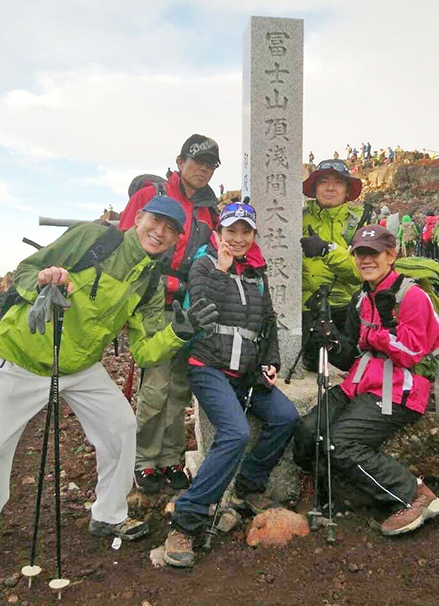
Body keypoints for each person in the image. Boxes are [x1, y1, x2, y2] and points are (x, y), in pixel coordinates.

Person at [0, 197, 219, 574]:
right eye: (156, 221)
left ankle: (109, 514)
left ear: (176, 239)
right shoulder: (92, 237)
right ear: (139, 218)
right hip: (20, 356)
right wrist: (42, 286)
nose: (160, 232)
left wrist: (179, 332)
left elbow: (144, 351)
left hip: (79, 365)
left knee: (121, 426)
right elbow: (28, 269)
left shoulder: (149, 282)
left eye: (172, 229)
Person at [164, 202, 299, 568]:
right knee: (236, 432)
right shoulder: (206, 263)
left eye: (245, 232)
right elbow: (204, 308)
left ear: (253, 235)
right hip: (208, 367)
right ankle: (186, 521)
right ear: (219, 232)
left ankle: (248, 487)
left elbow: (268, 321)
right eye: (231, 231)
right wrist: (223, 273)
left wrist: (271, 362)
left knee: (286, 416)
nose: (238, 239)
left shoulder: (258, 271)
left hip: (248, 373)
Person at [293, 224, 439, 537]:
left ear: (391, 255)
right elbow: (352, 353)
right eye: (360, 253)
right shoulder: (361, 298)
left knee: (340, 442)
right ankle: (316, 491)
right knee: (309, 430)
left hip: (398, 390)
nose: (366, 259)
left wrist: (384, 329)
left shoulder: (412, 296)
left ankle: (415, 495)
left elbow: (413, 352)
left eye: (373, 253)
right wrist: (332, 343)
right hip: (359, 384)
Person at [118, 134, 221, 493]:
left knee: (179, 388)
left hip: (188, 307)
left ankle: (172, 458)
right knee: (155, 388)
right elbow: (123, 242)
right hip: (151, 301)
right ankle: (144, 460)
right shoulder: (152, 196)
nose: (203, 169)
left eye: (210, 164)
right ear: (180, 162)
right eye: (197, 161)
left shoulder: (210, 211)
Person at [300, 159, 364, 371]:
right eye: (323, 181)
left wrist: (327, 250)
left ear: (347, 190)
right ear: (314, 187)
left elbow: (361, 272)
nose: (330, 187)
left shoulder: (359, 223)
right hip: (305, 311)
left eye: (338, 182)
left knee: (346, 368)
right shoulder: (296, 219)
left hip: (344, 313)